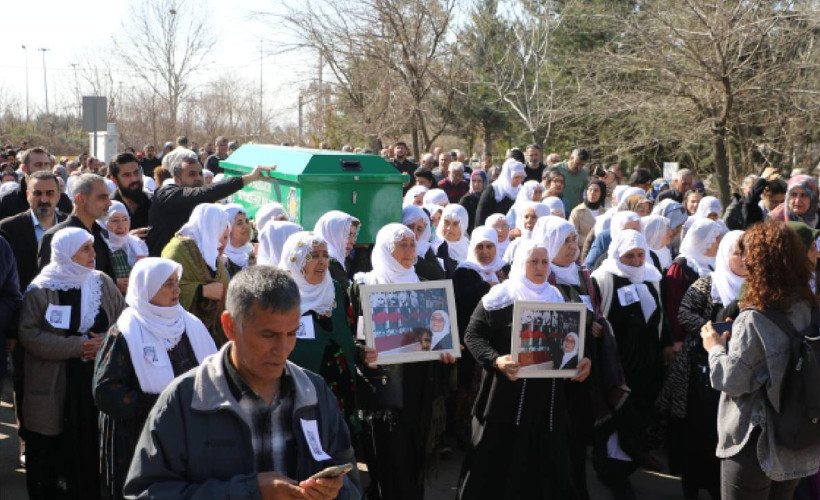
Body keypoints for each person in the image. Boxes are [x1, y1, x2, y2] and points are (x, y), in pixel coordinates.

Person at [124, 266, 360, 499]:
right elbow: (147, 493)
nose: (283, 349)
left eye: (292, 333)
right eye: (269, 335)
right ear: (230, 326)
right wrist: (249, 492)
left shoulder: (313, 392)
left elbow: (349, 478)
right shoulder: (185, 400)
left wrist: (336, 491)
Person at [457, 238, 591, 499]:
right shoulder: (499, 298)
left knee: (541, 470)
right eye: (533, 261)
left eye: (544, 262)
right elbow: (472, 337)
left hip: (546, 403)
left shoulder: (558, 297)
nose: (540, 268)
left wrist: (581, 360)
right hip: (504, 401)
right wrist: (496, 359)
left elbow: (570, 342)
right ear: (520, 262)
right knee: (496, 469)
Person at [701, 222, 820, 500]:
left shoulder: (754, 318)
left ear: (759, 265)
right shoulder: (811, 311)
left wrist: (715, 347)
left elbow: (732, 380)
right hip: (798, 438)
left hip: (755, 440)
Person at [93, 258, 217, 500]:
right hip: (139, 438)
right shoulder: (125, 331)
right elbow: (106, 392)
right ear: (147, 287)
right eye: (168, 284)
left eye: (177, 283)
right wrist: (162, 405)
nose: (177, 290)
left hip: (188, 434)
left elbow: (214, 372)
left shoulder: (189, 324)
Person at [351, 223, 456, 500]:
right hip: (384, 388)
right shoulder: (365, 287)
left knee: (415, 454)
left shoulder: (424, 288)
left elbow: (437, 335)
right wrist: (362, 354)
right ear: (386, 249)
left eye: (413, 244)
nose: (410, 251)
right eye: (403, 245)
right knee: (387, 455)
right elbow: (355, 336)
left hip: (419, 387)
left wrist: (444, 350)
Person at [19, 228, 126, 499]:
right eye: (85, 249)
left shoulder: (101, 282)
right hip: (58, 384)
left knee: (92, 447)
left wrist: (105, 341)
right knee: (56, 451)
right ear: (66, 253)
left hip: (95, 382)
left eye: (92, 247)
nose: (93, 254)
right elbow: (29, 335)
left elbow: (124, 320)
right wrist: (76, 347)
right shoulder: (41, 289)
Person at [657, 230, 745, 499]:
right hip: (699, 371)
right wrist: (713, 332)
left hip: (737, 369)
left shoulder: (756, 287)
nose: (743, 259)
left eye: (748, 253)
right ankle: (693, 484)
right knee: (698, 429)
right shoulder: (708, 284)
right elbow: (684, 314)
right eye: (737, 252)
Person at [590, 229, 671, 498]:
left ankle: (628, 463)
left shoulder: (652, 277)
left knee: (638, 416)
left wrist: (666, 345)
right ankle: (610, 470)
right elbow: (595, 317)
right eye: (630, 256)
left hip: (647, 363)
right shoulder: (604, 278)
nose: (636, 261)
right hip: (619, 363)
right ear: (617, 254)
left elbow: (662, 316)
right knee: (615, 416)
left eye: (640, 255)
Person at [279, 232, 359, 434]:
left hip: (340, 387)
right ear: (295, 260)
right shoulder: (281, 296)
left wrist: (360, 351)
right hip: (301, 388)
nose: (322, 261)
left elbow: (347, 331)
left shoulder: (335, 290)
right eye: (313, 256)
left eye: (325, 255)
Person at [146, 152, 272, 256]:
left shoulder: (199, 201)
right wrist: (249, 178)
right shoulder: (167, 194)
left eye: (200, 173)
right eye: (191, 174)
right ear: (177, 180)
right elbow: (203, 193)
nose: (198, 178)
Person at [161, 204, 231, 346]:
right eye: (220, 227)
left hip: (213, 334)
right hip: (182, 334)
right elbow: (163, 286)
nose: (223, 236)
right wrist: (201, 291)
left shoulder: (211, 253)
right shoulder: (177, 249)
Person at [39, 173, 116, 280]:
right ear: (81, 199)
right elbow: (48, 287)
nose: (109, 203)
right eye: (102, 197)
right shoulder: (56, 237)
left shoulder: (101, 233)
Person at [665, 218, 723, 348]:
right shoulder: (682, 266)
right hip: (688, 337)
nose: (719, 242)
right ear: (704, 240)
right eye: (716, 238)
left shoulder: (716, 263)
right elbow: (673, 305)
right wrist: (677, 338)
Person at [0, 147, 73, 219]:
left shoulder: (62, 200)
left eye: (46, 164)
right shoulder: (7, 201)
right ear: (24, 168)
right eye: (38, 165)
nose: (44, 169)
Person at [105, 201, 149, 293]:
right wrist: (114, 283)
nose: (121, 226)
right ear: (103, 223)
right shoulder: (100, 247)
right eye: (115, 220)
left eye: (125, 219)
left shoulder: (137, 245)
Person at [313, 210, 361, 286]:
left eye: (354, 235)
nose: (353, 241)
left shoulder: (315, 257)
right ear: (332, 235)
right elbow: (346, 295)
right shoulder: (332, 263)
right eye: (347, 235)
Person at [108, 152, 151, 232]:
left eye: (136, 172)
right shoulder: (108, 208)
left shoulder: (152, 203)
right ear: (114, 180)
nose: (134, 179)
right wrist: (126, 239)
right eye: (127, 175)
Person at [475, 159, 526, 226]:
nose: (519, 180)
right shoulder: (493, 190)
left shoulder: (522, 190)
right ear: (508, 176)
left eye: (521, 177)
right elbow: (481, 217)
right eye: (516, 177)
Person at [403, 205, 446, 280]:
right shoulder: (392, 246)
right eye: (410, 226)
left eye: (419, 229)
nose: (414, 233)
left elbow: (439, 276)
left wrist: (413, 258)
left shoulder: (423, 247)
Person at [435, 204, 470, 277]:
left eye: (455, 224)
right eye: (446, 222)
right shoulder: (435, 247)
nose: (449, 228)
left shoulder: (470, 248)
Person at [551, 148, 590, 214]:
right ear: (571, 158)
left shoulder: (584, 173)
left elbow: (582, 194)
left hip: (575, 212)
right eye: (577, 163)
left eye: (582, 165)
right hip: (558, 211)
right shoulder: (556, 168)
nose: (579, 167)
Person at [569, 179, 607, 245]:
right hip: (581, 250)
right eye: (590, 190)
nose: (592, 193)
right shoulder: (577, 211)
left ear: (601, 193)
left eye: (596, 190)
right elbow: (572, 234)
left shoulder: (605, 213)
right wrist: (590, 242)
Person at [221, 204, 253, 277]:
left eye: (247, 221)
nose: (246, 226)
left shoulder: (254, 252)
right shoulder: (221, 259)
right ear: (228, 228)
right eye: (239, 223)